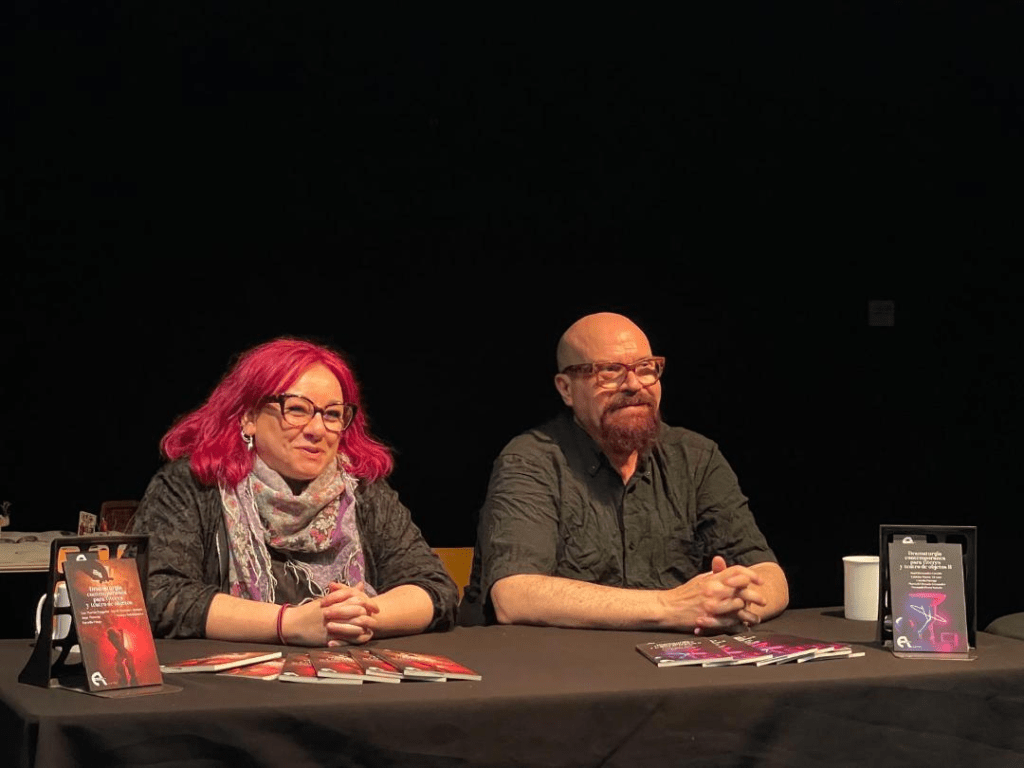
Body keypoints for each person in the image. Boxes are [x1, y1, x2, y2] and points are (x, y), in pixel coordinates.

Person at [460, 312, 788, 633]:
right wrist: (671, 607)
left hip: (675, 661)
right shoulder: (530, 461)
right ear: (566, 389)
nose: (633, 384)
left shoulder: (696, 457)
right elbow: (514, 596)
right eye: (610, 371)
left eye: (646, 369)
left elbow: (769, 575)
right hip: (557, 662)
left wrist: (728, 605)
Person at [132, 338, 457, 646]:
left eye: (332, 414)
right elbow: (157, 595)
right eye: (298, 409)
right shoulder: (193, 485)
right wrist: (288, 624)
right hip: (233, 681)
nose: (317, 429)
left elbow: (434, 587)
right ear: (249, 417)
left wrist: (361, 617)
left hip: (347, 676)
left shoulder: (363, 491)